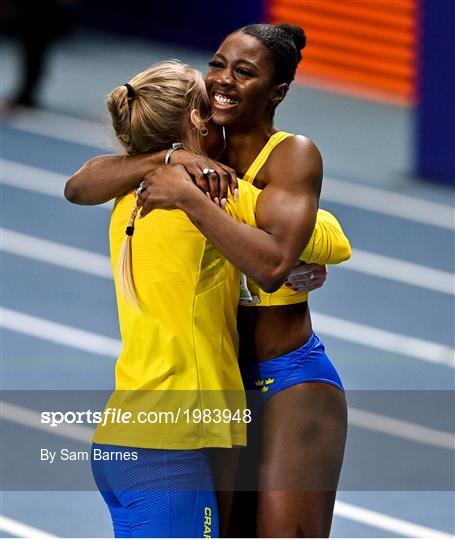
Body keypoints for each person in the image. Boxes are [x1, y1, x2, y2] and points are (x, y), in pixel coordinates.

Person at [75, 57, 350, 538]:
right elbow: (330, 239)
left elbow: (78, 185)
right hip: (172, 443)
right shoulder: (209, 194)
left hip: (129, 433)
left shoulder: (129, 191)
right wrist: (284, 244)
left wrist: (167, 159)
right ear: (196, 121)